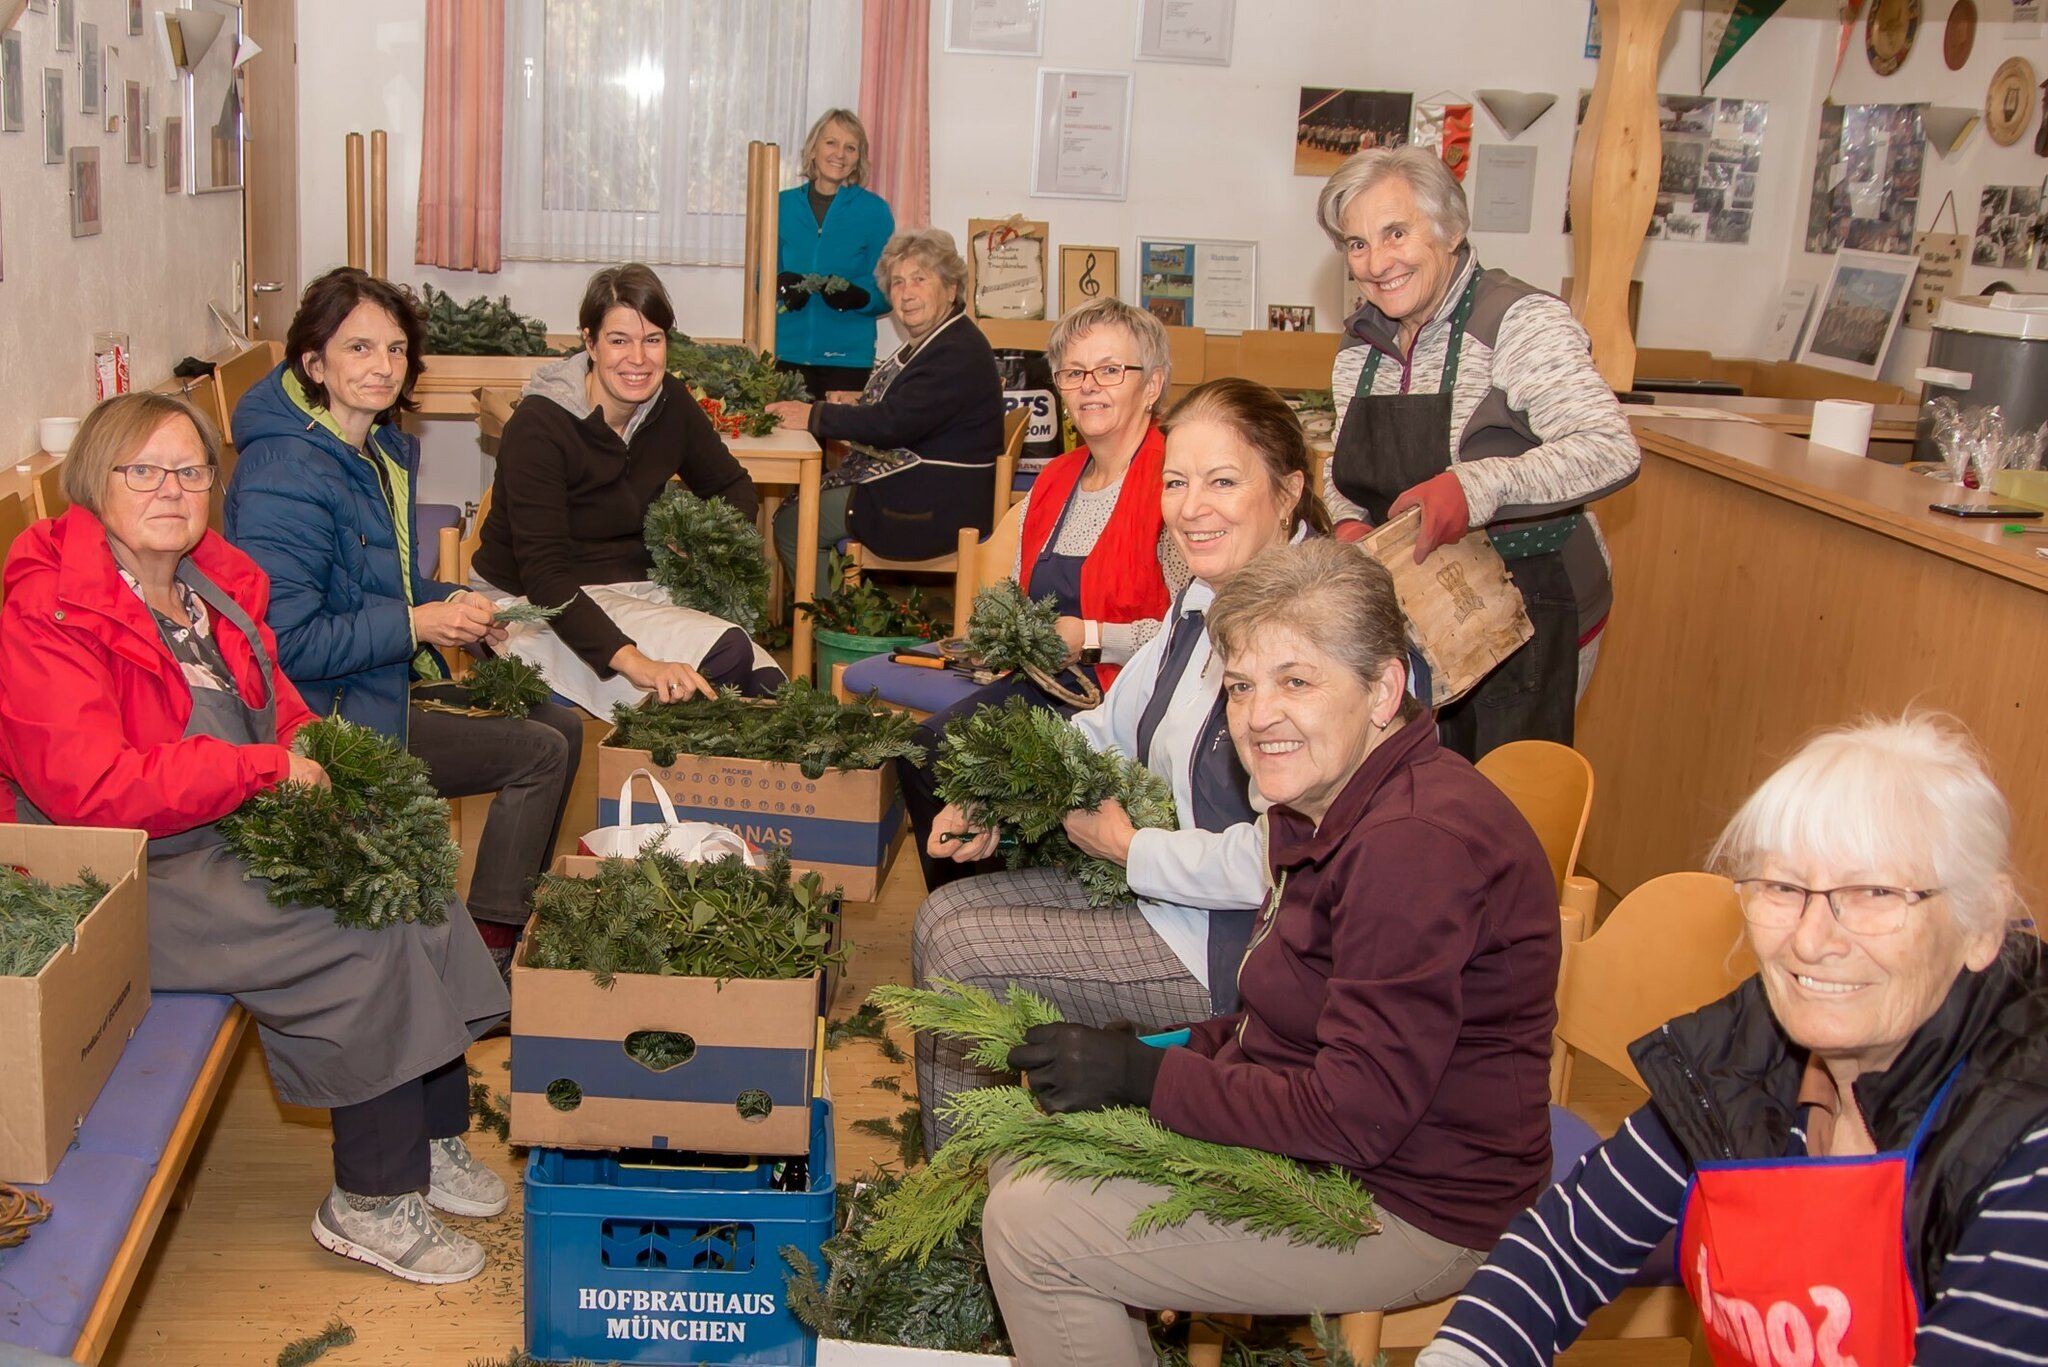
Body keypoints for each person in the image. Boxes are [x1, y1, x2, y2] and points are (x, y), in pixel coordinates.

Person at [979, 539, 1562, 1367]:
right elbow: (1282, 1023)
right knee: (1023, 1150)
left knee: (1033, 1227)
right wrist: (1154, 1051)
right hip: (1350, 1154)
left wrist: (1145, 1080)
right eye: (1243, 685)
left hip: (1413, 1203)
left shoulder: (1413, 847)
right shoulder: (1322, 802)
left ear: (1384, 688)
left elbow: (1354, 1115)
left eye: (1297, 680)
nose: (1258, 716)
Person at [0, 394, 508, 1285]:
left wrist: (302, 738)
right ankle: (371, 1196)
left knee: (409, 872)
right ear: (94, 481)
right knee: (355, 925)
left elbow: (273, 696)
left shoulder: (208, 586)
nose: (171, 490)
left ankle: (431, 1134)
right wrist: (262, 773)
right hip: (124, 867)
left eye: (191, 471)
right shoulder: (50, 611)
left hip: (222, 822)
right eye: (144, 470)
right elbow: (91, 790)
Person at [1418, 714, 2048, 1367]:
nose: (1810, 940)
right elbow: (1564, 1244)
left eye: (1873, 893)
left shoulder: (2027, 1145)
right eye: (1783, 887)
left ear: (1982, 926)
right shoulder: (1754, 1046)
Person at [913, 377, 1327, 1151]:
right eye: (1176, 481)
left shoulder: (1317, 632)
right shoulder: (1204, 596)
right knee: (940, 917)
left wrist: (1133, 850)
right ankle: (968, 1175)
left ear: (1290, 490)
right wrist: (999, 797)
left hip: (1243, 947)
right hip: (1171, 896)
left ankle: (967, 1193)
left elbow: (1292, 859)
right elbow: (1108, 725)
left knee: (965, 954)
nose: (1191, 506)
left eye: (1223, 481)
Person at [226, 268, 581, 977]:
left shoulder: (369, 450)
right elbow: (288, 644)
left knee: (562, 724)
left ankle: (498, 935)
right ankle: (487, 955)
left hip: (372, 682)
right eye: (358, 349)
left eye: (395, 349)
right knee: (539, 752)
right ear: (313, 362)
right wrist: (418, 624)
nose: (383, 366)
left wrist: (456, 605)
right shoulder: (283, 473)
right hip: (327, 721)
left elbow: (379, 582)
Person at [1319, 147, 1639, 759]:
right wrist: (1349, 516)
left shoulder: (1518, 321)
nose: (1376, 262)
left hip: (1531, 604)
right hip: (1419, 606)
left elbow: (1609, 447)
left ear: (1451, 230)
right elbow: (1340, 464)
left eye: (1396, 232)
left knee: (1504, 805)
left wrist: (1475, 487)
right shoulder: (1360, 343)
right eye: (1357, 244)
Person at [900, 297, 1187, 891]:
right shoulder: (1055, 478)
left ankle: (1001, 919)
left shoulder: (1175, 481)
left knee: (984, 766)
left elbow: (1195, 637)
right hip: (1046, 688)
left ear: (1153, 383)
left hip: (1125, 705)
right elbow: (1021, 593)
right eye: (1073, 372)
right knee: (924, 747)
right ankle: (967, 917)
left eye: (1110, 370)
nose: (1089, 387)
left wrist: (1091, 636)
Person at [471, 263, 784, 715]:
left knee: (766, 683)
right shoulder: (540, 427)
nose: (638, 358)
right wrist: (637, 663)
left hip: (633, 588)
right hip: (529, 604)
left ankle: (686, 777)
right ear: (589, 342)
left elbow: (733, 486)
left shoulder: (670, 403)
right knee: (726, 655)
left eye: (652, 340)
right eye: (619, 340)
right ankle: (650, 775)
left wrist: (702, 546)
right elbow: (545, 578)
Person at [768, 227, 1005, 589]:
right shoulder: (942, 339)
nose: (906, 294)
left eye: (919, 280)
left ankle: (830, 630)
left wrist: (813, 415)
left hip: (933, 506)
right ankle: (839, 614)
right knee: (806, 505)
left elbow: (892, 424)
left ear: (951, 288)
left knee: (795, 521)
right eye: (897, 283)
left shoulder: (955, 352)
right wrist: (855, 403)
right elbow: (912, 409)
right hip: (932, 489)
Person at [775, 108, 895, 400]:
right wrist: (780, 283)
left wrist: (861, 295)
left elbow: (890, 284)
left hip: (847, 360)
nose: (839, 153)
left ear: (858, 159)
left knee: (842, 445)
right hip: (785, 355)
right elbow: (759, 275)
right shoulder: (781, 205)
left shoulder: (875, 212)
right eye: (831, 142)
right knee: (789, 442)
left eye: (850, 147)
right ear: (814, 148)